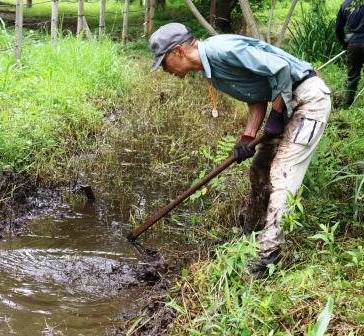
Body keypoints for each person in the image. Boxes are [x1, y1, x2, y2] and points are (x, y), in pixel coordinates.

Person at [149, 23, 332, 278]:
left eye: (164, 62)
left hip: (307, 100)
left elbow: (282, 68)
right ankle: (252, 235)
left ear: (178, 51)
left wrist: (276, 115)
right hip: (288, 102)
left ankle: (267, 255)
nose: (166, 71)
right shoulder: (211, 72)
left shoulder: (222, 50)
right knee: (260, 169)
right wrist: (247, 137)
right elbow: (255, 96)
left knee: (282, 174)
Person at [336, 0, 364, 108]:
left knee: (352, 77)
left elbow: (338, 28)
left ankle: (347, 106)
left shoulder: (345, 4)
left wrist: (345, 43)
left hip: (353, 44)